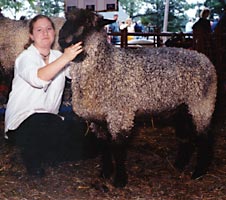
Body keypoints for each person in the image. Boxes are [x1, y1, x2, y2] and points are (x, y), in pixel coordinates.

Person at [4, 14, 84, 177]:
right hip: (22, 122)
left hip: (50, 121)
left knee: (86, 141)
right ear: (31, 36)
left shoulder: (56, 56)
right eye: (39, 30)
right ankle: (32, 158)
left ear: (54, 33)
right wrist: (66, 57)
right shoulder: (25, 58)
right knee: (41, 123)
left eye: (49, 29)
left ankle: (47, 152)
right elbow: (39, 78)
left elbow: (76, 74)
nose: (45, 33)